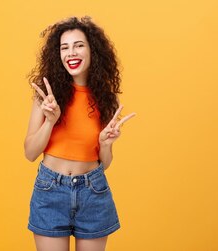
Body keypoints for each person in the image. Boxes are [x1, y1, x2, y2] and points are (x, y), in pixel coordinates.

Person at [24, 16, 136, 251]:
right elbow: (30, 152)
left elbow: (104, 164)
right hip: (50, 191)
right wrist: (50, 122)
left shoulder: (106, 98)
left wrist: (106, 144)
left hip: (93, 192)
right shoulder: (47, 96)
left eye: (78, 45)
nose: (70, 53)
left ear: (92, 50)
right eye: (64, 47)